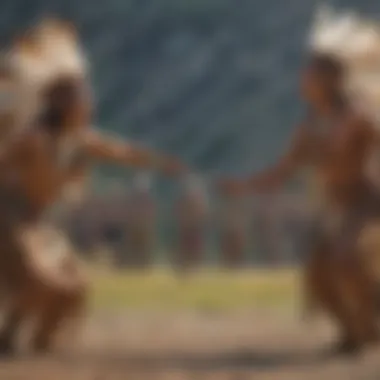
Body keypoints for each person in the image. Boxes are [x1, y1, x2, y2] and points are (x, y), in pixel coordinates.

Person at [0, 19, 188, 355]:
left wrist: (164, 163)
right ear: (59, 103)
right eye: (80, 95)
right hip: (9, 223)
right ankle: (11, 333)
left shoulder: (81, 140)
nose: (88, 101)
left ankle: (33, 344)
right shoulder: (32, 139)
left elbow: (124, 152)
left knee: (74, 290)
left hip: (38, 225)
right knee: (43, 283)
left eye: (86, 94)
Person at [219, 53, 380, 354]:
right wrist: (242, 186)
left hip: (365, 201)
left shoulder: (358, 116)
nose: (303, 81)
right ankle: (352, 333)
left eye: (311, 76)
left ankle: (369, 321)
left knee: (346, 256)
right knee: (317, 274)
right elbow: (284, 170)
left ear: (331, 81)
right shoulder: (309, 126)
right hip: (335, 205)